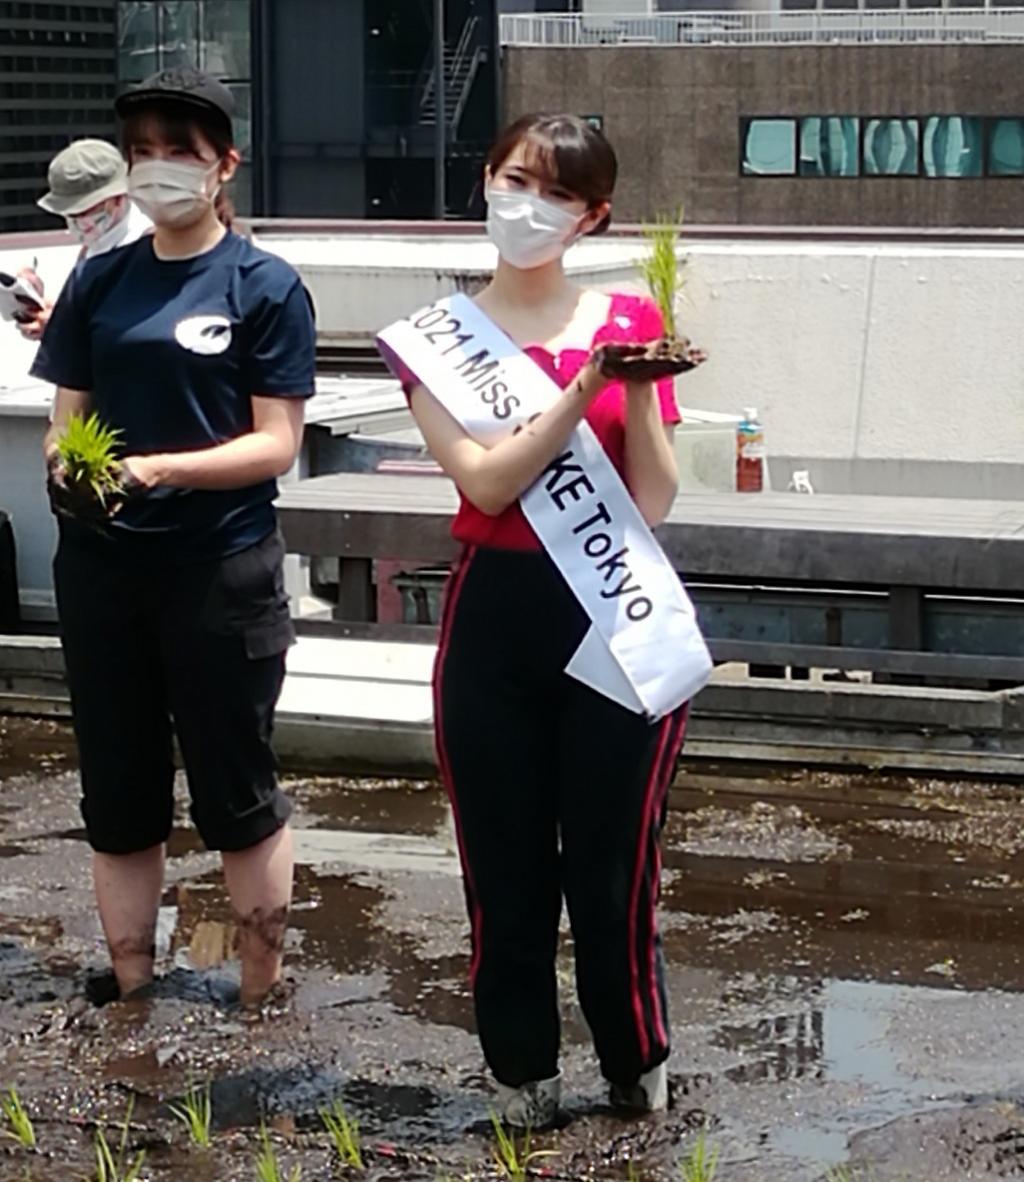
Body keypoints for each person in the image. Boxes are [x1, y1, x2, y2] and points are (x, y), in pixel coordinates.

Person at [380, 113, 707, 1128]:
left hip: (612, 611)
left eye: (558, 194)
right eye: (515, 180)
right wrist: (580, 393)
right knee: (503, 861)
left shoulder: (622, 318)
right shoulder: (437, 340)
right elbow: (484, 477)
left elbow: (649, 502)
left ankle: (635, 1062)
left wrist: (638, 388)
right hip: (497, 614)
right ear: (484, 182)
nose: (530, 206)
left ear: (593, 215)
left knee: (613, 864)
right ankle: (521, 1074)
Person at [30, 67, 316, 1008]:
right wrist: (69, 469)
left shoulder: (264, 286)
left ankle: (260, 989)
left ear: (223, 166)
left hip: (217, 570)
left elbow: (276, 443)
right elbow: (67, 412)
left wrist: (162, 470)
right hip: (104, 569)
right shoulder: (100, 281)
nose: (158, 170)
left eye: (179, 153)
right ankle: (131, 984)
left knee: (237, 789)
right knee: (117, 789)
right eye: (143, 152)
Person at [14, 139, 152, 340]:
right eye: (69, 213)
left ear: (119, 197)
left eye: (85, 210)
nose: (78, 221)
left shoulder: (150, 244)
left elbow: (142, 329)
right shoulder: (94, 245)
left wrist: (63, 326)